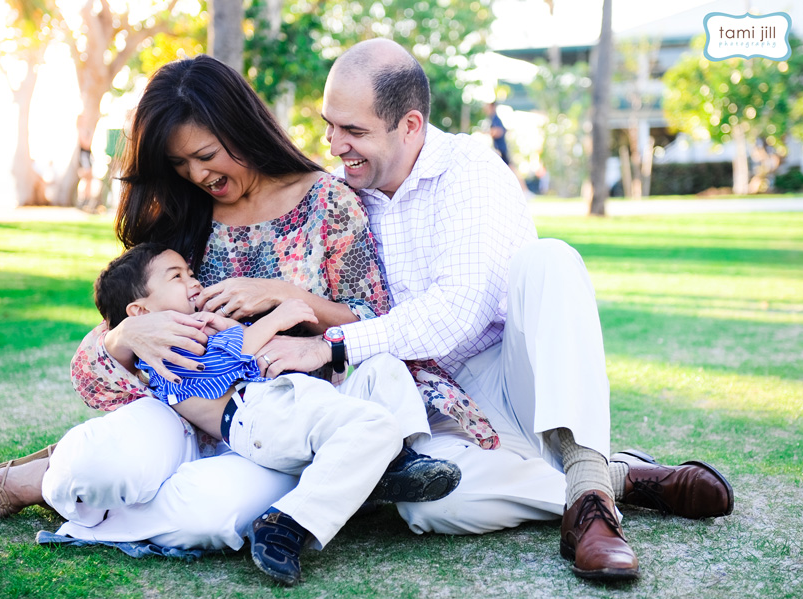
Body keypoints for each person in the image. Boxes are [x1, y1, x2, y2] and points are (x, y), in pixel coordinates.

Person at [0, 54, 477, 585]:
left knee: (210, 520)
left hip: (289, 419)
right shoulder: (183, 215)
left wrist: (284, 295)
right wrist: (127, 333)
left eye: (204, 155)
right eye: (180, 164)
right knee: (102, 469)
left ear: (241, 128)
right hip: (185, 409)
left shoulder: (328, 202)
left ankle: (79, 495)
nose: (197, 175)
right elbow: (114, 341)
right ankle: (54, 479)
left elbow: (375, 321)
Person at [255, 39, 735, 582]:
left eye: (354, 131)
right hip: (430, 406)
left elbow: (456, 311)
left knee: (549, 260)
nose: (335, 145)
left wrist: (329, 345)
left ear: (410, 125)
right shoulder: (339, 197)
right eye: (330, 126)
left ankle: (593, 504)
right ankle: (608, 480)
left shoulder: (471, 172)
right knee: (428, 505)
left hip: (515, 380)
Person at [91, 241, 460, 584]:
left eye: (190, 273)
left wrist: (236, 327)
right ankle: (286, 523)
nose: (193, 281)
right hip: (252, 417)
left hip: (288, 402)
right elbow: (221, 370)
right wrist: (276, 318)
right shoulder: (160, 347)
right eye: (176, 276)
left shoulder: (200, 325)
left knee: (382, 365)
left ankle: (398, 462)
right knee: (374, 426)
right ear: (139, 314)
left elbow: (236, 351)